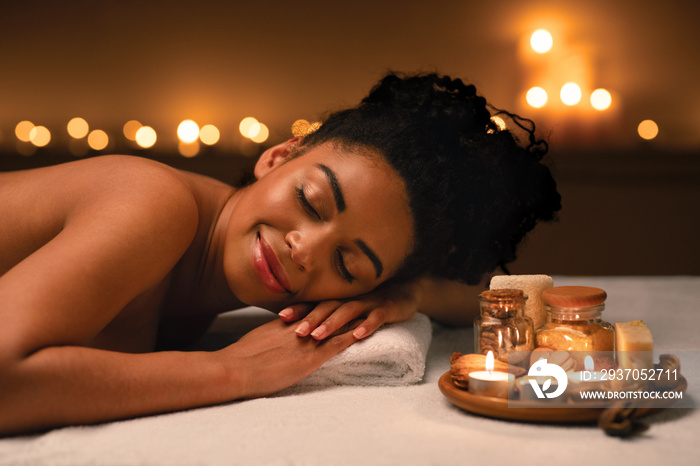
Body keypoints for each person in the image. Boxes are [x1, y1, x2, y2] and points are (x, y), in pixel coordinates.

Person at [0, 72, 560, 435]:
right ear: (279, 155)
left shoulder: (281, 278)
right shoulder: (154, 203)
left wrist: (402, 293)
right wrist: (228, 371)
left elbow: (478, 293)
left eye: (348, 263)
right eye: (311, 202)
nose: (304, 250)